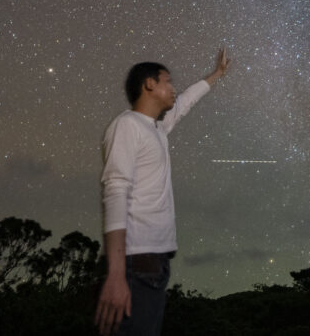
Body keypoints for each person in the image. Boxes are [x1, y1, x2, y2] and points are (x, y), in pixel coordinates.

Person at [95, 48, 231, 336]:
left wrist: (215, 76)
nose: (173, 88)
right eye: (167, 81)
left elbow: (184, 104)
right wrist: (117, 274)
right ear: (149, 85)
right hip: (136, 263)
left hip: (153, 263)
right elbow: (115, 192)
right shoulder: (127, 126)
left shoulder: (155, 129)